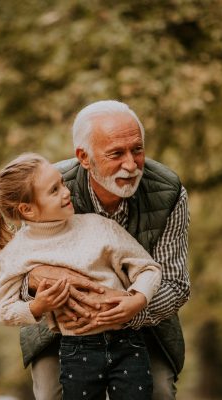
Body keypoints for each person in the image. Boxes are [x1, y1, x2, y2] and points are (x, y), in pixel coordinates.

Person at [20, 100, 190, 400]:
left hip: (144, 320)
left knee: (160, 391)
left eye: (137, 150)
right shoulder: (44, 188)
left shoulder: (170, 192)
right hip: (63, 327)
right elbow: (17, 280)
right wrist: (41, 285)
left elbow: (176, 284)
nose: (131, 164)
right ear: (84, 157)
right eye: (116, 154)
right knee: (51, 393)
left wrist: (131, 308)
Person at [0, 152, 162, 400]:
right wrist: (37, 306)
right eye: (54, 190)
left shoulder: (99, 226)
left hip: (127, 342)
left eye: (62, 183)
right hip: (78, 350)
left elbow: (149, 268)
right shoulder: (16, 253)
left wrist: (138, 299)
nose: (66, 192)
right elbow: (4, 310)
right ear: (27, 210)